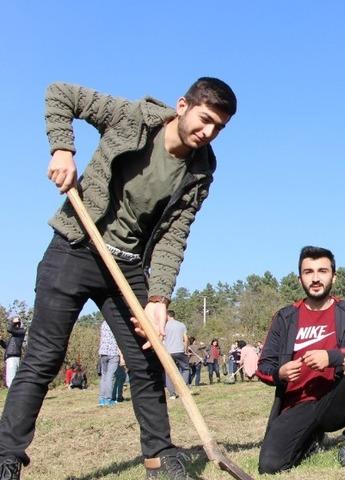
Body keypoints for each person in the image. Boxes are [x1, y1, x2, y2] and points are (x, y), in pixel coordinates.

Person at [0, 77, 236, 480]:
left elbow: (173, 236)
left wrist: (159, 299)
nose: (208, 132)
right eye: (205, 119)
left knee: (147, 358)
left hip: (127, 266)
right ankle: (7, 456)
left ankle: (159, 456)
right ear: (182, 105)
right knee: (43, 357)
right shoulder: (132, 116)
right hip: (76, 247)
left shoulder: (200, 171)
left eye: (219, 127)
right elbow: (60, 94)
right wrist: (62, 148)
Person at [256, 246, 345, 474]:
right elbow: (263, 366)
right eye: (308, 272)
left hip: (336, 400)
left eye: (322, 271)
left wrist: (332, 357)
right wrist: (279, 374)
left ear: (333, 276)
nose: (315, 278)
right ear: (300, 279)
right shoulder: (285, 317)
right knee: (270, 466)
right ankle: (311, 440)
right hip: (298, 402)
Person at [163, 310, 189, 399]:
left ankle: (172, 394)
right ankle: (184, 390)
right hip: (180, 350)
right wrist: (186, 350)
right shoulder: (181, 325)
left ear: (167, 316)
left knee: (168, 373)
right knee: (185, 369)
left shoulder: (164, 326)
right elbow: (186, 339)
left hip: (168, 352)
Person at [97, 320, 120, 406]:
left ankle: (102, 399)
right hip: (113, 352)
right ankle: (108, 399)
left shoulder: (103, 323)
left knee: (104, 376)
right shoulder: (116, 323)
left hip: (103, 352)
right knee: (110, 376)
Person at [1, 317, 26, 388]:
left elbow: (9, 329)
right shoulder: (15, 336)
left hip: (13, 357)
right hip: (11, 358)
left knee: (11, 380)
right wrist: (1, 341)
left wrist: (14, 322)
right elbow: (6, 346)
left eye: (16, 324)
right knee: (10, 379)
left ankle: (13, 394)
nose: (14, 326)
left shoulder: (21, 331)